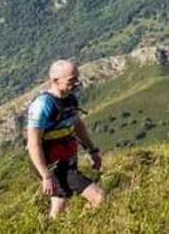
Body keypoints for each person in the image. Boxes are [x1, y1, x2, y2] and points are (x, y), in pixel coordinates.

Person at [24, 59, 105, 219]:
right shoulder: (42, 106)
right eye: (71, 80)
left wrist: (92, 150)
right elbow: (33, 144)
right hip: (52, 164)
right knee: (99, 197)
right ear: (55, 81)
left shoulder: (70, 99)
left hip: (67, 158)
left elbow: (77, 125)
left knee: (61, 200)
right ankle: (82, 226)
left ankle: (50, 228)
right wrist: (45, 175)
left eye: (77, 78)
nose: (76, 83)